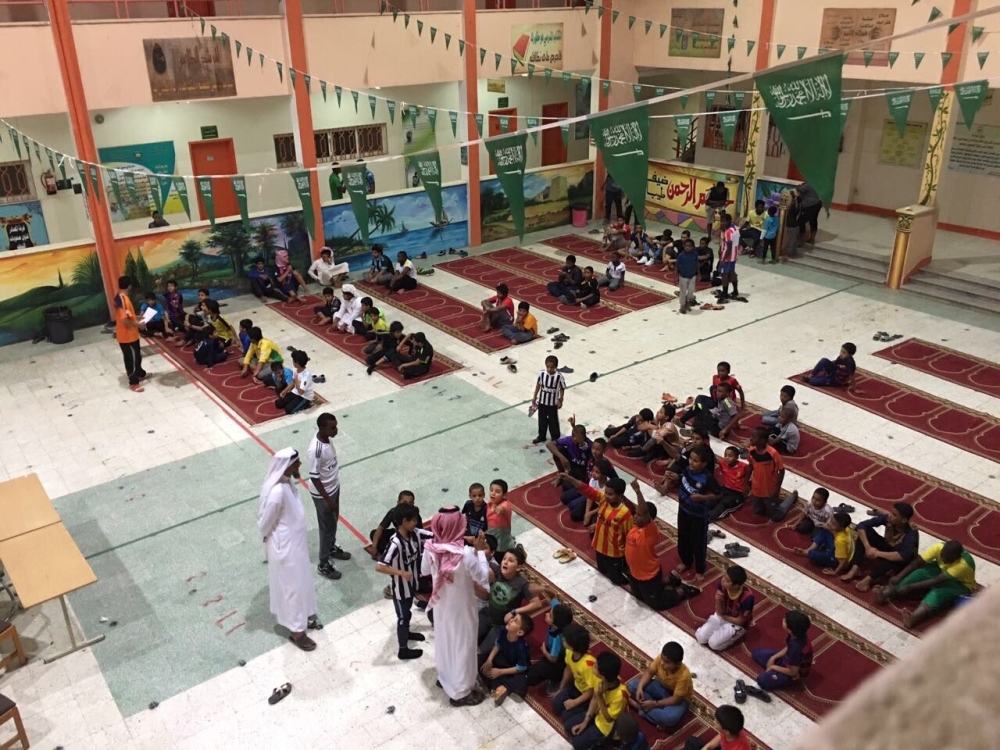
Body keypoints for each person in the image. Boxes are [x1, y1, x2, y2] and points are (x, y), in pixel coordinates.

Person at [421, 507, 490, 707]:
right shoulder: (466, 554)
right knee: (463, 647)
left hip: (441, 607)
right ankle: (460, 692)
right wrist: (481, 553)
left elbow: (424, 571)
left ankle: (445, 678)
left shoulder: (430, 548)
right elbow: (483, 578)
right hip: (462, 610)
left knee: (444, 642)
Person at [256, 448, 321, 651]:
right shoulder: (277, 492)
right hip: (285, 550)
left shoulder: (287, 485)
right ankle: (297, 632)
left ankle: (304, 616)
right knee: (292, 590)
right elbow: (265, 523)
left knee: (301, 584)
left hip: (295, 547)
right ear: (286, 466)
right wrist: (270, 543)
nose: (300, 464)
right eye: (296, 462)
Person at [625, 479, 700, 610]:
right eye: (635, 514)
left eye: (639, 515)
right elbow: (629, 505)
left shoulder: (649, 531)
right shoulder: (635, 526)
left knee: (657, 603)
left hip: (649, 575)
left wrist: (638, 492)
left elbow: (644, 512)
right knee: (639, 596)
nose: (635, 517)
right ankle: (670, 580)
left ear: (648, 518)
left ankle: (683, 590)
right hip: (635, 573)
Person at [875, 540, 976, 628]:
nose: (944, 559)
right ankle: (886, 593)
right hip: (940, 570)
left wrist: (910, 587)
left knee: (937, 593)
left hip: (959, 583)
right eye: (942, 556)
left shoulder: (963, 564)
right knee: (919, 573)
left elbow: (937, 580)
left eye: (948, 559)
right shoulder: (938, 547)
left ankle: (913, 618)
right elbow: (918, 562)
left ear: (956, 558)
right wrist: (899, 576)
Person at [377, 504, 430, 660]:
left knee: (407, 614)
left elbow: (433, 535)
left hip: (412, 585)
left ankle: (407, 633)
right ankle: (403, 650)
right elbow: (380, 566)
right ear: (404, 521)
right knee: (403, 617)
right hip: (400, 590)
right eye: (413, 520)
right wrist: (400, 573)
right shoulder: (395, 543)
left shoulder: (416, 534)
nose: (416, 523)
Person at [561, 473, 633, 585]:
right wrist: (570, 478)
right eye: (606, 492)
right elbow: (587, 490)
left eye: (610, 494)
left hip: (613, 552)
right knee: (603, 570)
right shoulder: (604, 499)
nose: (606, 496)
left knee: (616, 579)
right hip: (599, 545)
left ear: (620, 495)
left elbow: (629, 535)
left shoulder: (625, 514)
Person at [476, 544, 544, 652]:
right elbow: (481, 561)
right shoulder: (496, 570)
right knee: (469, 639)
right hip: (487, 614)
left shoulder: (522, 584)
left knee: (481, 652)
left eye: (511, 561)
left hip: (501, 625)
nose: (505, 562)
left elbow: (537, 603)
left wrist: (514, 612)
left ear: (518, 568)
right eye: (504, 559)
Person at [308, 413, 351, 581]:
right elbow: (314, 477)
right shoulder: (316, 450)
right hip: (323, 494)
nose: (336, 430)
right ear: (322, 428)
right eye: (332, 427)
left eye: (336, 426)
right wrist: (327, 500)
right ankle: (323, 564)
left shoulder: (327, 439)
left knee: (333, 522)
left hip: (333, 488)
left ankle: (331, 548)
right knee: (327, 529)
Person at [842, 502, 918, 591]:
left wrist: (877, 553)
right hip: (889, 548)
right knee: (866, 532)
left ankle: (869, 579)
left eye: (894, 514)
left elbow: (903, 555)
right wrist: (868, 547)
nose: (890, 515)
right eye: (891, 512)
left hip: (901, 559)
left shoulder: (911, 533)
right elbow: (862, 525)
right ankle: (855, 568)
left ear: (904, 520)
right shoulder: (888, 519)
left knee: (893, 559)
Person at [563, 651, 628, 750]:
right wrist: (585, 721)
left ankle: (612, 742)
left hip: (607, 727)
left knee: (577, 744)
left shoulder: (621, 695)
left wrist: (599, 696)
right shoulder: (602, 680)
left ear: (603, 676)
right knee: (568, 725)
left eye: (595, 666)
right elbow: (594, 699)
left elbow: (609, 718)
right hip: (597, 714)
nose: (593, 666)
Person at [675, 445, 720, 582]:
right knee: (683, 537)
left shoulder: (707, 477)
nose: (691, 462)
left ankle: (700, 569)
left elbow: (718, 494)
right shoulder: (686, 467)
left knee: (698, 543)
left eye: (695, 461)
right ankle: (686, 561)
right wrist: (662, 442)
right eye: (691, 459)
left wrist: (703, 497)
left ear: (704, 463)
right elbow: (675, 455)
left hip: (698, 516)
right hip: (683, 509)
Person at [627, 641, 693, 730]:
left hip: (678, 700)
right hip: (661, 688)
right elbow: (649, 673)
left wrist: (654, 704)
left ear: (677, 664)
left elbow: (675, 699)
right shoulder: (660, 659)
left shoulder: (684, 675)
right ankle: (652, 712)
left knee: (670, 718)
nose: (662, 663)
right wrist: (640, 687)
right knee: (632, 685)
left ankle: (639, 707)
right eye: (662, 659)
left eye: (667, 662)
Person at [478, 611, 534, 705]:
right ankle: (499, 686)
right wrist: (489, 660)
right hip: (502, 659)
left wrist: (500, 672)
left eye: (515, 621)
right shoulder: (504, 630)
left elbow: (521, 667)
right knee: (479, 662)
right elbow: (498, 644)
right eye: (513, 618)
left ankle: (496, 685)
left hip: (513, 667)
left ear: (520, 632)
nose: (511, 620)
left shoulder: (521, 647)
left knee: (520, 687)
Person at [696, 565, 754, 651]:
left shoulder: (747, 598)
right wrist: (719, 600)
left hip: (736, 624)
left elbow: (740, 621)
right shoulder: (722, 585)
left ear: (736, 585)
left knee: (713, 644)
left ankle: (734, 636)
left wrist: (723, 616)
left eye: (727, 580)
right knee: (700, 638)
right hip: (723, 615)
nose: (723, 580)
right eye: (724, 577)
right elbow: (720, 611)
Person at [754, 610, 813, 692]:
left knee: (762, 680)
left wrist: (773, 667)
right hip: (787, 660)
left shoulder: (796, 647)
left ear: (789, 630)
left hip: (792, 673)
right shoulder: (797, 634)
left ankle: (785, 680)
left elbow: (793, 672)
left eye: (785, 621)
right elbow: (788, 647)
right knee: (756, 652)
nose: (783, 619)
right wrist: (773, 657)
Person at [553, 624, 599, 717]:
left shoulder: (587, 665)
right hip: (576, 686)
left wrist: (575, 702)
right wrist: (561, 688)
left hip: (588, 694)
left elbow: (591, 691)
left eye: (565, 640)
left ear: (573, 646)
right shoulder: (569, 651)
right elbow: (568, 669)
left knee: (566, 716)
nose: (562, 639)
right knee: (556, 705)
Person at [526, 601, 573, 693]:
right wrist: (546, 592)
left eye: (550, 616)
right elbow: (553, 599)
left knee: (530, 677)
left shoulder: (557, 638)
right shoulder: (558, 616)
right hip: (552, 652)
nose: (547, 614)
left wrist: (544, 651)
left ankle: (557, 679)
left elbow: (553, 659)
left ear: (555, 624)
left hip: (559, 661)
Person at [746, 427, 788, 521]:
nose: (751, 439)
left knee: (775, 517)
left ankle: (791, 499)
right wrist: (746, 483)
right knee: (758, 512)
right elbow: (750, 466)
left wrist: (776, 490)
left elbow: (781, 471)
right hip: (756, 489)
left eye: (754, 437)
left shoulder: (773, 453)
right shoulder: (751, 450)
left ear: (762, 441)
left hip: (769, 490)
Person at [115, 275, 146, 393]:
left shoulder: (120, 297)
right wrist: (138, 325)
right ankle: (133, 383)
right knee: (130, 360)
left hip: (132, 335)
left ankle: (140, 373)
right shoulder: (123, 300)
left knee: (137, 356)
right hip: (126, 337)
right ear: (129, 286)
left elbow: (128, 315)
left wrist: (137, 317)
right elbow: (124, 320)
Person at [683, 705, 750, 750]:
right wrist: (706, 747)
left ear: (726, 731)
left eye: (717, 722)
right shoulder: (731, 731)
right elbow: (718, 739)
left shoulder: (740, 747)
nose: (715, 722)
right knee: (691, 742)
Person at [548, 423, 594, 488]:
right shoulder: (569, 440)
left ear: (584, 437)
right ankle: (561, 475)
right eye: (573, 435)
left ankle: (580, 480)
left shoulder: (589, 445)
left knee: (566, 486)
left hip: (583, 470)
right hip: (572, 465)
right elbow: (549, 444)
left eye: (577, 437)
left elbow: (584, 445)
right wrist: (562, 458)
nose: (574, 438)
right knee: (558, 450)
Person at [533, 356, 566, 445]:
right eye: (548, 367)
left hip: (552, 404)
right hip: (542, 402)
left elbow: (562, 388)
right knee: (542, 420)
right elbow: (538, 385)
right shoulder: (542, 374)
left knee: (553, 421)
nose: (549, 369)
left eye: (552, 367)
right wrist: (534, 396)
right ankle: (541, 436)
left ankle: (555, 438)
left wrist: (560, 399)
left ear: (556, 367)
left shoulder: (559, 376)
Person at [708, 446, 748, 522]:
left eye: (730, 456)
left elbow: (749, 477)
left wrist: (746, 487)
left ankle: (709, 517)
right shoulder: (722, 463)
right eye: (725, 455)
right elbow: (722, 469)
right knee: (714, 498)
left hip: (737, 493)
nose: (727, 458)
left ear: (737, 457)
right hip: (725, 488)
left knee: (725, 503)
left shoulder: (744, 467)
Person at [275, 349, 314, 414]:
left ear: (297, 362)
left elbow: (301, 392)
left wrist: (296, 380)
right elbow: (293, 383)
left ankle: (306, 404)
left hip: (304, 396)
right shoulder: (295, 370)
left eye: (293, 361)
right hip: (296, 392)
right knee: (278, 403)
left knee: (288, 410)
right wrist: (285, 391)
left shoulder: (306, 375)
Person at [486, 479, 516, 554]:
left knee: (500, 552)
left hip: (501, 536)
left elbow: (503, 508)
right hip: (490, 532)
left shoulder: (506, 504)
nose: (493, 493)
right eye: (491, 490)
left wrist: (499, 509)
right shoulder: (490, 503)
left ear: (504, 495)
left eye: (497, 492)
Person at [717, 213, 740, 301]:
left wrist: (723, 259)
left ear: (729, 221)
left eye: (724, 221)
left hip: (727, 256)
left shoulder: (729, 232)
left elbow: (728, 247)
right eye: (721, 221)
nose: (722, 223)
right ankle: (735, 290)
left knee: (724, 274)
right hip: (734, 255)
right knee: (732, 272)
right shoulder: (735, 228)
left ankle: (725, 293)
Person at [796, 182, 822, 246]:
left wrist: (799, 186)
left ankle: (801, 240)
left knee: (801, 221)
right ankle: (812, 239)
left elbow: (799, 189)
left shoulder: (809, 184)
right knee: (813, 220)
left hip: (810, 205)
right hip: (817, 203)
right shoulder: (817, 183)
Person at [676, 239, 699, 314]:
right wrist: (675, 277)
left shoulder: (695, 254)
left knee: (691, 291)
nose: (687, 248)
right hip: (683, 276)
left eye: (689, 246)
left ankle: (687, 301)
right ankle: (682, 305)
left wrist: (699, 273)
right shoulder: (681, 256)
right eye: (686, 246)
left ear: (693, 247)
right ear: (683, 246)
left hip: (692, 275)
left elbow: (696, 263)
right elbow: (677, 266)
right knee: (683, 291)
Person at [783, 189, 801, 257]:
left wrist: (793, 196)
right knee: (793, 242)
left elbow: (789, 207)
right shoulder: (796, 207)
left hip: (793, 227)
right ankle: (793, 253)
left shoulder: (795, 207)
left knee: (791, 242)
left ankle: (789, 254)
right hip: (793, 226)